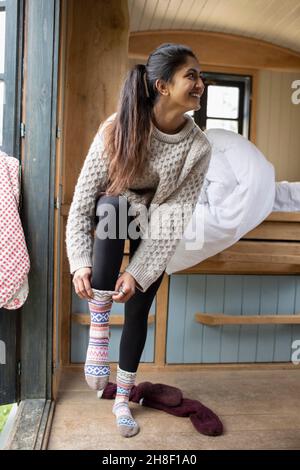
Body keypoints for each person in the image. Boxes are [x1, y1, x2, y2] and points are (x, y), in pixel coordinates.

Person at [66, 43, 211, 438]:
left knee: (139, 303)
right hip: (114, 217)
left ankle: (122, 398)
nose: (201, 82)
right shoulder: (119, 127)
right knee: (113, 203)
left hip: (156, 229)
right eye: (192, 76)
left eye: (200, 76)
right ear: (163, 86)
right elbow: (82, 203)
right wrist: (80, 261)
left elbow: (175, 217)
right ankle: (98, 327)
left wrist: (138, 271)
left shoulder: (198, 147)